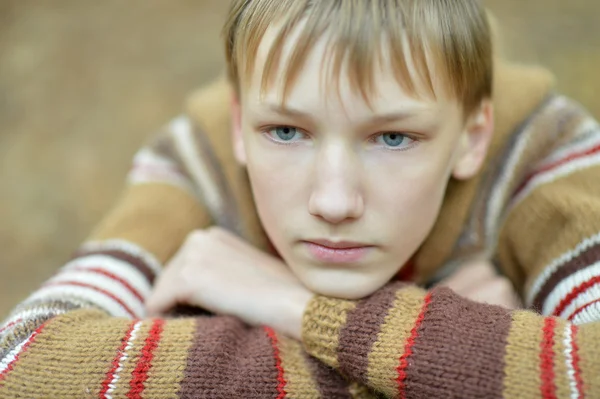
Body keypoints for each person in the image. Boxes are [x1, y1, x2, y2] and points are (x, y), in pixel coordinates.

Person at [1, 0, 599, 397]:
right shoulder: (198, 159)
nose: (334, 202)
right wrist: (467, 357)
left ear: (472, 136)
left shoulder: (538, 152)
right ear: (239, 126)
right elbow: (20, 362)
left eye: (393, 137)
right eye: (285, 132)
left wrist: (294, 307)